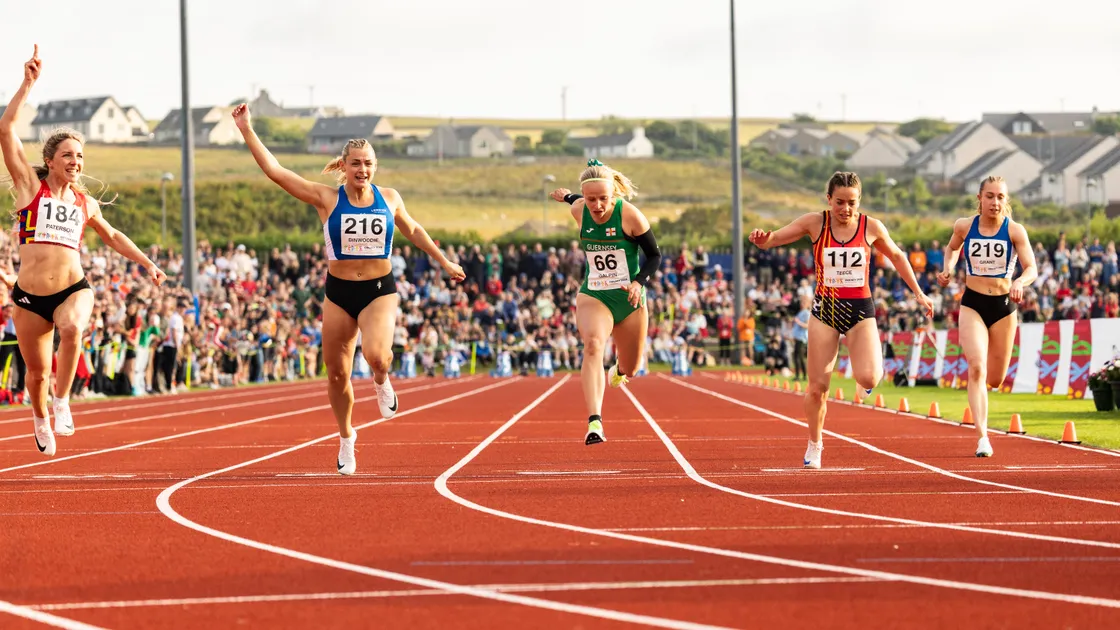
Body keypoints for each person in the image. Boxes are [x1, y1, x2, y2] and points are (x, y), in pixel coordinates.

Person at [232, 103, 464, 475]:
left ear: (375, 166)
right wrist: (246, 129)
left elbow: (414, 230)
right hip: (338, 292)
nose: (363, 169)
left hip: (378, 290)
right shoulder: (327, 199)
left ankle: (382, 380)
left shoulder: (389, 198)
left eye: (368, 163)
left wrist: (444, 261)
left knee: (377, 355)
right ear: (344, 165)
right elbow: (276, 172)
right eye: (356, 163)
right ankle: (346, 438)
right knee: (337, 374)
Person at [0, 46, 165, 457]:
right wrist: (28, 84)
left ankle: (62, 400)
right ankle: (40, 417)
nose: (76, 161)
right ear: (50, 161)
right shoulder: (28, 189)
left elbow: (112, 236)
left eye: (80, 156)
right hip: (28, 296)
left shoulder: (84, 202)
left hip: (73, 288)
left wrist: (146, 262)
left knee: (73, 328)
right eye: (68, 155)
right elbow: (5, 130)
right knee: (34, 374)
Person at [749, 171, 932, 469]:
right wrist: (762, 239)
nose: (846, 209)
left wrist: (919, 294)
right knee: (817, 387)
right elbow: (776, 238)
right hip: (825, 311)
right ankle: (815, 444)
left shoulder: (871, 227)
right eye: (840, 203)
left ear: (859, 201)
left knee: (869, 378)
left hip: (861, 310)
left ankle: (866, 381)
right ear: (829, 199)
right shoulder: (815, 222)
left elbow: (898, 256)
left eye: (852, 203)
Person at [550, 158, 662, 445]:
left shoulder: (631, 216)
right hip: (595, 294)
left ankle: (619, 371)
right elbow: (576, 199)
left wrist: (639, 282)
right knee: (593, 345)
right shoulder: (580, 209)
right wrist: (567, 197)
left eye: (603, 199)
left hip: (629, 296)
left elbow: (655, 256)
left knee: (632, 368)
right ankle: (595, 421)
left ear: (614, 196)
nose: (597, 206)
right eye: (591, 200)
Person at [937, 175, 1036, 457]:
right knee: (977, 368)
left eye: (1000, 197)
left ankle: (985, 416)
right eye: (990, 196)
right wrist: (948, 268)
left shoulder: (1015, 231)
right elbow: (953, 248)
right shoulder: (964, 226)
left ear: (1006, 201)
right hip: (973, 304)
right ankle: (983, 437)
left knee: (995, 379)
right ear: (979, 198)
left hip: (1004, 307)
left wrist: (1020, 282)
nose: (995, 202)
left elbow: (1031, 268)